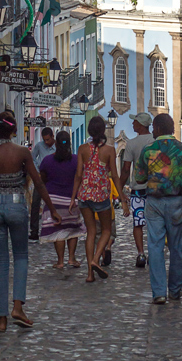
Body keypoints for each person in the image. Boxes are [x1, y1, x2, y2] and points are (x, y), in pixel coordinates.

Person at [0, 114, 61, 332]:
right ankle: (18, 307)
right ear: (14, 131)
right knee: (21, 256)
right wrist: (52, 209)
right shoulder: (22, 152)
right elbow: (39, 182)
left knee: (1, 261)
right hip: (16, 204)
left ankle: (1, 319)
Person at [135, 113, 182, 304]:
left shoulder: (148, 150)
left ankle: (159, 292)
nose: (152, 131)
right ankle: (175, 290)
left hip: (154, 202)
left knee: (155, 246)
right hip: (176, 202)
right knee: (176, 247)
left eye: (154, 127)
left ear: (159, 128)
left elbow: (139, 178)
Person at [70, 116, 129, 283]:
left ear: (89, 130)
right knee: (106, 230)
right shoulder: (109, 150)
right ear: (103, 131)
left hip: (84, 195)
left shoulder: (82, 149)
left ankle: (90, 273)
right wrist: (123, 199)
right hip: (101, 195)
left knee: (90, 233)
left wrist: (72, 198)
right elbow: (115, 176)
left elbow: (78, 175)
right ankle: (96, 259)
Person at [39, 130, 85, 269]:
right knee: (72, 230)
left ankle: (60, 261)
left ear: (56, 143)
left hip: (53, 200)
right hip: (72, 199)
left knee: (58, 230)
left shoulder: (47, 161)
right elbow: (80, 177)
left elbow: (43, 179)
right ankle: (71, 258)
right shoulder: (76, 160)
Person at [119, 112, 154, 266]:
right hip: (155, 189)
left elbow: (126, 169)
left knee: (138, 223)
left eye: (134, 122)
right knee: (154, 223)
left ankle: (140, 254)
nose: (132, 124)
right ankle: (154, 252)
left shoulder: (132, 144)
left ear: (140, 124)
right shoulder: (155, 141)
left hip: (138, 190)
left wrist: (119, 187)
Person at [30, 126, 55, 241]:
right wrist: (37, 170)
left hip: (53, 179)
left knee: (52, 204)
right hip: (41, 179)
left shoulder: (57, 147)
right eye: (44, 140)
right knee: (35, 203)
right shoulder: (39, 146)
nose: (46, 142)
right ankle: (34, 231)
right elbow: (32, 158)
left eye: (48, 139)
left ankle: (52, 229)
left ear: (52, 137)